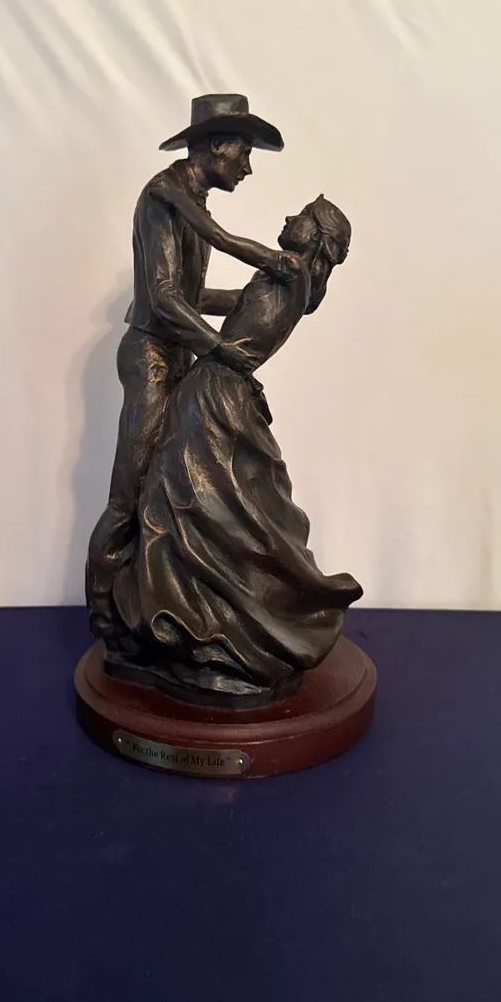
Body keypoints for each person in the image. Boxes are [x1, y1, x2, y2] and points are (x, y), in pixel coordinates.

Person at [105, 195, 363, 706]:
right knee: (204, 501)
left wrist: (189, 214)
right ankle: (199, 615)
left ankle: (204, 623)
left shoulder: (291, 270)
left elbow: (229, 243)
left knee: (182, 495)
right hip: (221, 387)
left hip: (216, 390)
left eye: (301, 218)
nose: (288, 219)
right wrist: (161, 300)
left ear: (318, 241)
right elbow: (223, 302)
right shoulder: (278, 281)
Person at [86, 94, 296, 644]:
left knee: (172, 486)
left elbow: (189, 294)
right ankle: (106, 618)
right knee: (130, 492)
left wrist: (255, 300)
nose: (247, 167)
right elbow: (161, 297)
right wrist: (220, 348)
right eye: (244, 153)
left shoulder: (191, 196)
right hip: (153, 357)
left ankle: (160, 608)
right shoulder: (165, 194)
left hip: (177, 352)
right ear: (216, 146)